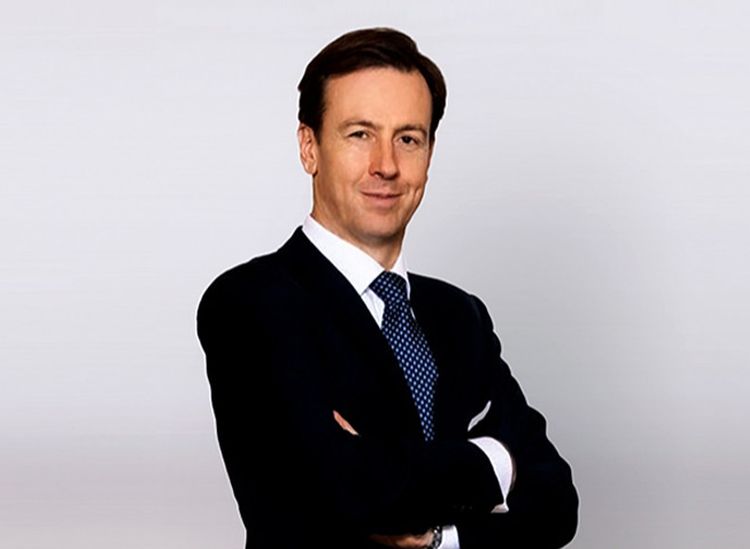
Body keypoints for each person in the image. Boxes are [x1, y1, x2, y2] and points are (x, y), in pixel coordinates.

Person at [196, 27, 578, 549]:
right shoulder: (250, 303)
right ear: (309, 147)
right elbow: (350, 492)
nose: (387, 165)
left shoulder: (460, 315)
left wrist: (437, 537)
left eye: (408, 138)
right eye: (360, 134)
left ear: (430, 153)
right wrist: (500, 460)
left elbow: (557, 505)